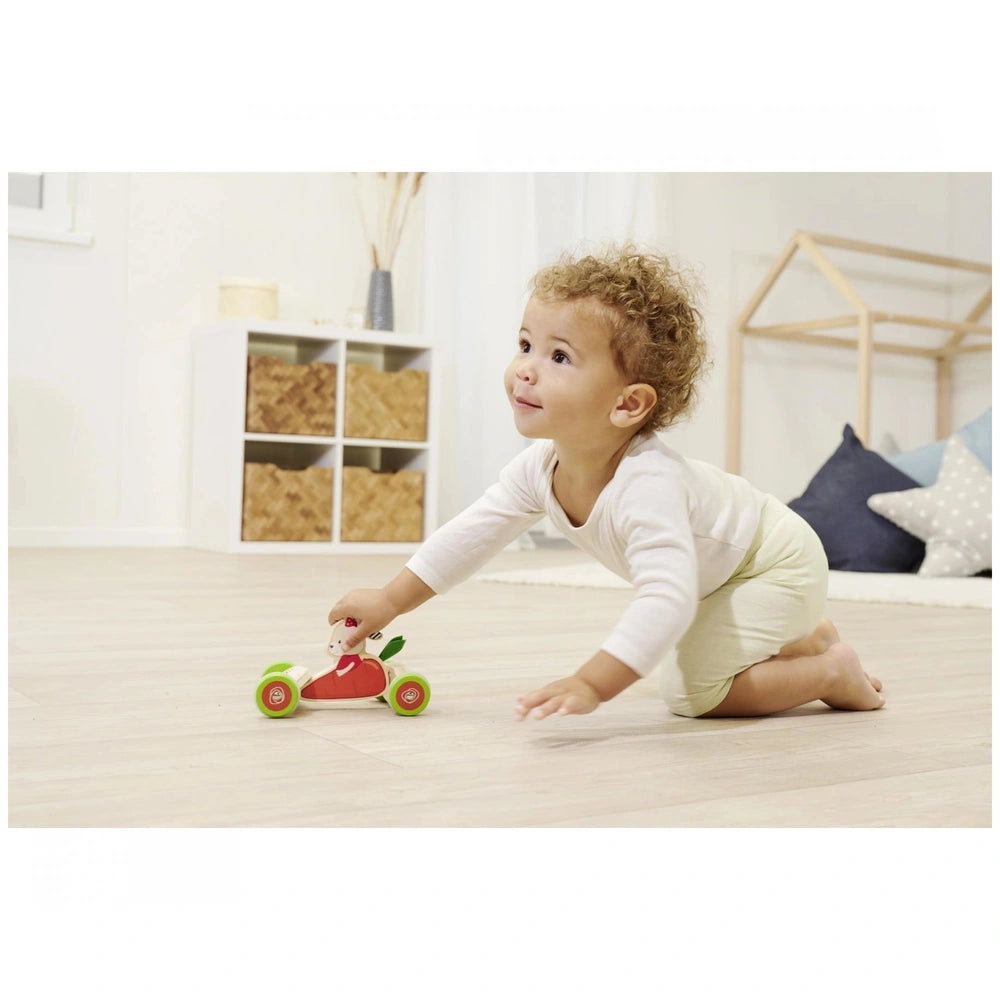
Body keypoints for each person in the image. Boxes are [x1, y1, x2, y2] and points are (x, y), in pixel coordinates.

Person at [328, 244, 885, 721]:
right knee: (704, 660)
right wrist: (389, 600)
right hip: (724, 576)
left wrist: (593, 682)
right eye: (526, 345)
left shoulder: (647, 486)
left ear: (628, 404)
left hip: (774, 563)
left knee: (692, 692)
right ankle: (802, 634)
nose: (526, 368)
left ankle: (832, 671)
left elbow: (666, 597)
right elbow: (473, 534)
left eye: (559, 356)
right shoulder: (540, 467)